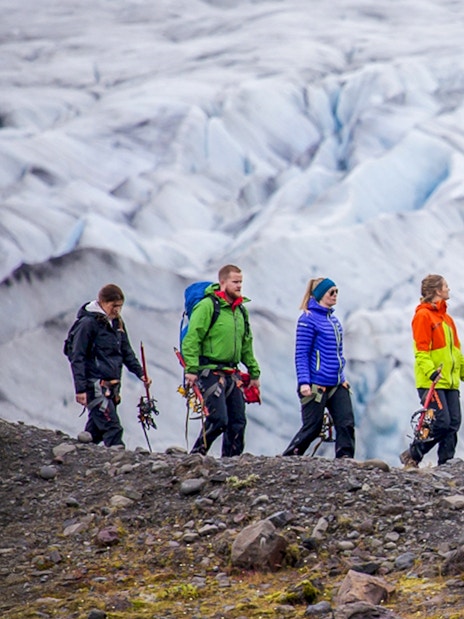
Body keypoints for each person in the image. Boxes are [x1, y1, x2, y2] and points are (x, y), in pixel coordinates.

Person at [182, 265, 261, 457]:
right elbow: (192, 337)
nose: (239, 286)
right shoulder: (208, 306)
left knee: (238, 422)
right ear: (223, 282)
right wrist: (191, 369)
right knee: (218, 419)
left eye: (241, 282)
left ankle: (231, 465)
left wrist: (253, 371)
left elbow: (246, 344)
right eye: (235, 282)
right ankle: (195, 457)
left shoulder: (240, 311)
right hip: (209, 371)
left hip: (231, 373)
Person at [68, 284, 151, 447]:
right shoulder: (87, 324)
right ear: (102, 302)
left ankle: (75, 456)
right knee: (112, 427)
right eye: (114, 306)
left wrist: (140, 373)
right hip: (95, 385)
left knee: (95, 431)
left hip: (112, 387)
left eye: (120, 306)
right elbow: (77, 356)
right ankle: (120, 463)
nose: (117, 310)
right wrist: (81, 389)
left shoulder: (117, 323)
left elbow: (126, 351)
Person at [282, 277, 355, 458]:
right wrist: (304, 382)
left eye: (337, 291)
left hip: (337, 383)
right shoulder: (307, 319)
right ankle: (290, 458)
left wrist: (342, 378)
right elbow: (302, 353)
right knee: (312, 427)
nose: (335, 295)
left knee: (346, 423)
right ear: (321, 294)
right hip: (316, 384)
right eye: (332, 292)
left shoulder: (334, 321)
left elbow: (337, 353)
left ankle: (345, 460)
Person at [400, 274, 464, 468]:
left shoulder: (447, 319)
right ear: (437, 291)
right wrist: (431, 372)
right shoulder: (423, 316)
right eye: (446, 286)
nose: (448, 289)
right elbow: (421, 351)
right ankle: (413, 454)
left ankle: (446, 464)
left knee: (453, 423)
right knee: (441, 422)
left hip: (450, 381)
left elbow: (456, 353)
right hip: (432, 381)